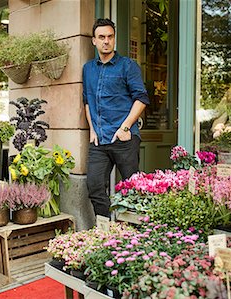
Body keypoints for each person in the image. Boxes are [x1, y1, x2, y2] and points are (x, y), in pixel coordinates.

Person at [82, 18, 150, 218]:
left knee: (132, 190)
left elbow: (141, 99)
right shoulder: (88, 69)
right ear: (94, 40)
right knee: (94, 186)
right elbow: (88, 101)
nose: (106, 41)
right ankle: (107, 231)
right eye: (101, 37)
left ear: (114, 39)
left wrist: (125, 128)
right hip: (99, 139)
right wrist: (92, 130)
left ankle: (132, 237)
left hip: (124, 138)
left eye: (110, 37)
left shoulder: (128, 66)